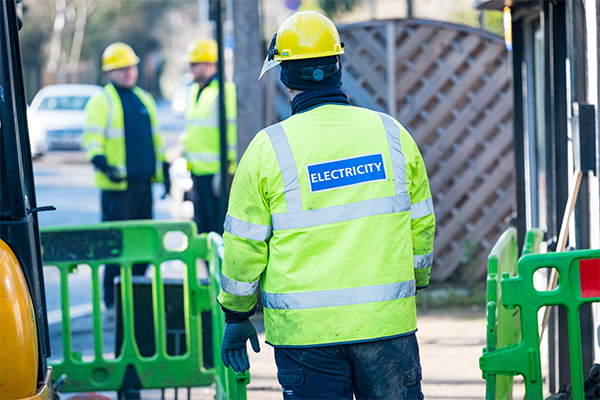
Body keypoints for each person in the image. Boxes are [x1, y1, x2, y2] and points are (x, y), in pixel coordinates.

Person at [217, 11, 436, 399]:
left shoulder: (268, 150)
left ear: (285, 77)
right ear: (338, 67)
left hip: (306, 339)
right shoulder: (392, 135)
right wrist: (411, 284)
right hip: (385, 327)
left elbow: (243, 246)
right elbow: (421, 227)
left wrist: (237, 314)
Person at [83, 42, 169, 311]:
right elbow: (92, 138)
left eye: (131, 67)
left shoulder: (145, 99)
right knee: (116, 244)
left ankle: (138, 296)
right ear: (110, 72)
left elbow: (156, 139)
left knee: (143, 241)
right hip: (117, 188)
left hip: (143, 185)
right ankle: (112, 299)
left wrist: (163, 169)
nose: (128, 72)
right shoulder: (102, 100)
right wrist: (101, 162)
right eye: (121, 69)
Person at [179, 38, 237, 234]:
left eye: (195, 63)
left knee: (217, 229)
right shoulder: (195, 90)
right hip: (198, 175)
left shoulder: (224, 91)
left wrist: (228, 170)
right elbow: (194, 129)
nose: (190, 68)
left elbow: (233, 134)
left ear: (210, 64)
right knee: (202, 229)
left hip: (217, 176)